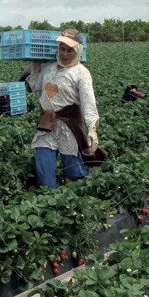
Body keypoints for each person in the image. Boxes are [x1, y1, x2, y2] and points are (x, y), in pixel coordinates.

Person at [26, 29, 100, 188]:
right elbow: (34, 86)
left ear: (78, 50)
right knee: (44, 171)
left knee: (74, 172)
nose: (65, 54)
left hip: (69, 125)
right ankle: (49, 197)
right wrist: (36, 65)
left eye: (70, 50)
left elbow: (89, 104)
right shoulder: (50, 67)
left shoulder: (81, 73)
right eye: (62, 49)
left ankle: (76, 197)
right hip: (47, 124)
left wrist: (92, 131)